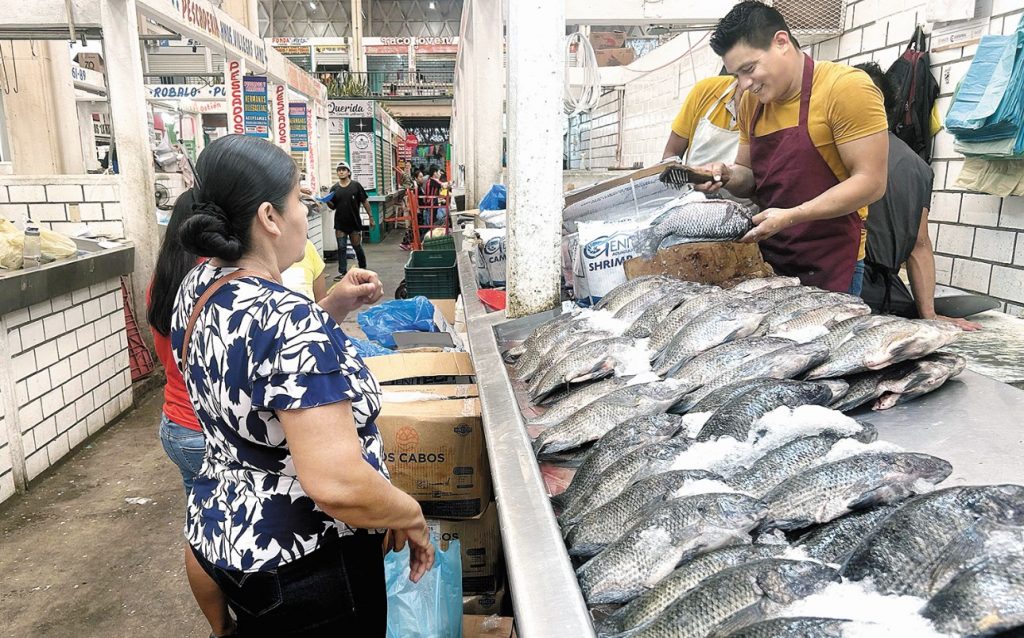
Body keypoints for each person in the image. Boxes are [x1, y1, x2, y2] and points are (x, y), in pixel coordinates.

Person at [171, 135, 434, 636]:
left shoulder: (200, 286)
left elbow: (257, 368)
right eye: (298, 201)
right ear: (270, 217)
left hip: (230, 543)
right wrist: (410, 513)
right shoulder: (286, 320)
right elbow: (335, 482)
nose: (304, 215)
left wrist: (329, 309)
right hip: (309, 569)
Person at [698, 1, 889, 294]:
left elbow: (871, 183)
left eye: (749, 69)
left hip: (831, 260)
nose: (745, 84)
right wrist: (726, 175)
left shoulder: (845, 89)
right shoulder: (752, 101)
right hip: (772, 258)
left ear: (782, 42)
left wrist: (791, 215)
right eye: (737, 74)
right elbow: (750, 176)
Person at [146, 189, 235, 638]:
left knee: (200, 530)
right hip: (208, 429)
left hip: (175, 425)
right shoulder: (210, 283)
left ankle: (220, 629)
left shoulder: (161, 282)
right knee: (235, 532)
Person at [854, 62, 982, 331]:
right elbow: (920, 246)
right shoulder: (917, 166)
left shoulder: (834, 151)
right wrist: (929, 315)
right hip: (889, 299)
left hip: (842, 292)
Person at [663, 72, 744, 165]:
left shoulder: (763, 109)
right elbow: (672, 153)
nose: (749, 82)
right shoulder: (705, 91)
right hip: (690, 178)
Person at [327, 161, 374, 279]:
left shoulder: (356, 186)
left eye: (343, 169)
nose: (341, 171)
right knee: (341, 248)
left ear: (348, 172)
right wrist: (327, 201)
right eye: (339, 170)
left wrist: (371, 217)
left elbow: (365, 201)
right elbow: (333, 206)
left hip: (354, 223)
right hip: (340, 223)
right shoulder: (334, 188)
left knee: (357, 246)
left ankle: (363, 267)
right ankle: (342, 272)